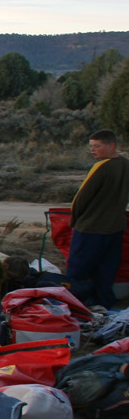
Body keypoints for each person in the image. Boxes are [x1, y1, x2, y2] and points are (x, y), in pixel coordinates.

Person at [68, 129, 129, 310]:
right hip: (115, 227)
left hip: (90, 228)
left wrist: (74, 221)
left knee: (77, 270)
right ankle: (105, 304)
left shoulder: (101, 167)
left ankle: (73, 305)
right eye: (92, 147)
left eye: (97, 146)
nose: (93, 150)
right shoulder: (126, 165)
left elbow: (81, 198)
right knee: (106, 270)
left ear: (112, 145)